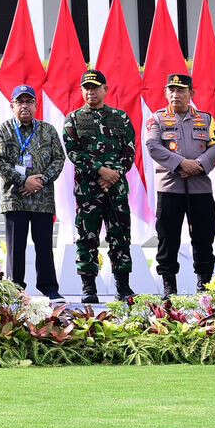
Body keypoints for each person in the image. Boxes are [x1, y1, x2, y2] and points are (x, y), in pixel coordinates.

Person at [61, 69, 137, 303]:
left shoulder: (121, 117)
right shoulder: (73, 119)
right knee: (87, 238)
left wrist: (115, 174)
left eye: (95, 87)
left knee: (120, 237)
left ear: (105, 89)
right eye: (86, 87)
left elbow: (130, 151)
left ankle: (123, 287)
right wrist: (100, 171)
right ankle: (88, 288)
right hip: (88, 190)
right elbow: (73, 151)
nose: (90, 91)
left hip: (117, 189)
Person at [145, 73, 215, 296]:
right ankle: (169, 287)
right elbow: (152, 145)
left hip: (200, 188)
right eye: (171, 90)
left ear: (191, 93)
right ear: (165, 93)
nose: (175, 94)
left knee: (204, 237)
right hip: (170, 188)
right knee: (167, 238)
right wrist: (181, 164)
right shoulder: (157, 119)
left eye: (181, 90)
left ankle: (204, 284)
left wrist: (198, 165)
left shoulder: (206, 119)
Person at [0, 84, 64, 300]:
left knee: (44, 246)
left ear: (36, 105)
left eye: (29, 102)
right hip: (15, 198)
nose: (25, 106)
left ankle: (50, 289)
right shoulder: (4, 130)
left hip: (42, 198)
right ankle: (15, 291)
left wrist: (40, 180)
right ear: (12, 105)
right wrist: (23, 180)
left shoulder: (47, 130)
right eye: (20, 102)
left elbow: (59, 158)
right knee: (16, 248)